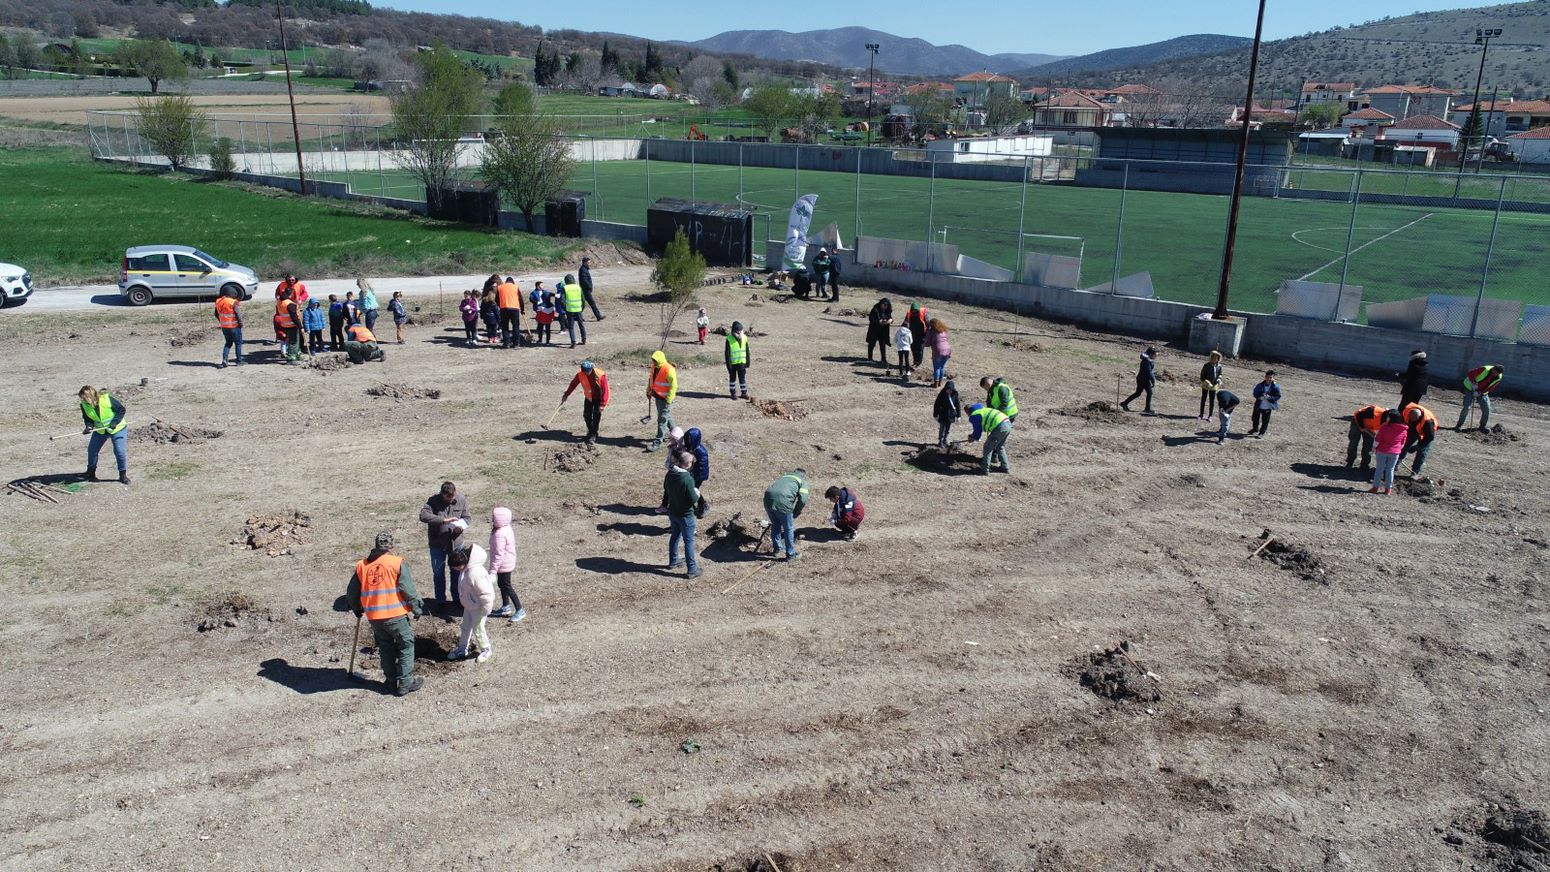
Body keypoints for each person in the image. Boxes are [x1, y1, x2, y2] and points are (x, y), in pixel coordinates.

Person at [345, 532, 424, 696]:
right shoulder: (396, 562)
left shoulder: (362, 565)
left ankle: (390, 682)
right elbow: (407, 589)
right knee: (405, 645)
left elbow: (352, 592)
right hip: (395, 615)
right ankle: (405, 683)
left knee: (385, 647)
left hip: (374, 618)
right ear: (391, 546)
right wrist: (416, 607)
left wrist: (357, 608)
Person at [418, 481, 469, 607]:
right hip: (438, 544)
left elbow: (467, 518)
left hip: (456, 544)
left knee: (457, 572)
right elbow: (423, 516)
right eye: (448, 497)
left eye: (452, 496)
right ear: (442, 494)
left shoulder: (461, 499)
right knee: (438, 573)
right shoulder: (433, 501)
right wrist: (443, 520)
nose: (451, 499)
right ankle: (440, 601)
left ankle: (457, 599)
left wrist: (461, 527)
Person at [447, 544, 495, 663]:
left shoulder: (474, 573)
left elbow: (485, 593)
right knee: (465, 626)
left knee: (478, 628)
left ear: (461, 563)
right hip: (470, 605)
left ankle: (486, 649)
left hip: (478, 607)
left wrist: (486, 608)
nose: (454, 569)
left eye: (455, 567)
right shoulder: (466, 569)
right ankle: (462, 648)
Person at [78, 385, 129, 484]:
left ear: (90, 397)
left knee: (119, 451)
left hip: (117, 429)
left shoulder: (107, 399)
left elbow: (121, 410)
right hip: (100, 431)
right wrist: (89, 427)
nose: (83, 400)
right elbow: (87, 418)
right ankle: (91, 473)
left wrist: (115, 422)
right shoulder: (84, 405)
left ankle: (123, 475)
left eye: (84, 398)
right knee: (92, 450)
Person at [662, 451, 702, 578]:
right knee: (689, 541)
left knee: (675, 536)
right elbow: (692, 499)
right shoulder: (687, 478)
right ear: (688, 464)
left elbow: (666, 489)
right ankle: (692, 569)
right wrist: (697, 494)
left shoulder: (670, 473)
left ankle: (673, 560)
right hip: (686, 515)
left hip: (673, 512)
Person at [763, 469, 809, 561]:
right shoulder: (801, 481)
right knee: (788, 528)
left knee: (776, 524)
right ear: (803, 475)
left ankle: (777, 549)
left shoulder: (784, 476)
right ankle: (790, 554)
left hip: (768, 499)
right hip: (783, 502)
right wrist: (796, 512)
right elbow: (803, 499)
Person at [562, 360, 610, 445]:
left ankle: (593, 434)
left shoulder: (600, 375)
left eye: (588, 371)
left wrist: (602, 404)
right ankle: (591, 431)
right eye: (585, 371)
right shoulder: (580, 374)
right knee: (586, 415)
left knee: (596, 415)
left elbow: (605, 390)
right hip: (589, 397)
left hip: (599, 398)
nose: (586, 373)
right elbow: (573, 384)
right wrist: (566, 394)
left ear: (592, 368)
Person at [966, 402, 1012, 475]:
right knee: (1000, 446)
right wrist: (974, 436)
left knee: (988, 448)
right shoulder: (983, 409)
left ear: (968, 413)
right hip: (1007, 423)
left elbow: (977, 431)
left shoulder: (974, 415)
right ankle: (1005, 468)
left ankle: (984, 470)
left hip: (1000, 427)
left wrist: (973, 437)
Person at [1370, 410, 1409, 495]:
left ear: (1391, 418)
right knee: (1390, 470)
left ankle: (1375, 488)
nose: (1387, 418)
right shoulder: (1404, 429)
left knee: (1379, 469)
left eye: (1388, 416)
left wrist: (1373, 448)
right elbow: (1403, 443)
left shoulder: (1384, 427)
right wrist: (1398, 450)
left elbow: (1377, 439)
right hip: (1395, 453)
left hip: (1382, 451)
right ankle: (1388, 489)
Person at [1457, 364, 1504, 431]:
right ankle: (1458, 425)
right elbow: (1470, 374)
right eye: (1494, 372)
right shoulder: (1484, 369)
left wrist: (1480, 392)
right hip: (1470, 388)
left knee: (1487, 409)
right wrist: (1473, 383)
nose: (1495, 374)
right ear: (1493, 369)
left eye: (1497, 373)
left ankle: (1482, 426)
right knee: (1466, 407)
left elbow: (1491, 387)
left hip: (1482, 392)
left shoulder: (1498, 377)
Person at [647, 350, 678, 451]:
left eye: (655, 360)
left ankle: (658, 441)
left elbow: (674, 386)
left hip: (665, 399)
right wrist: (649, 391)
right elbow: (651, 379)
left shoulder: (668, 369)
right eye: (653, 360)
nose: (653, 362)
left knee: (662, 419)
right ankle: (676, 433)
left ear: (659, 360)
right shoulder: (654, 367)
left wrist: (669, 399)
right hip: (657, 396)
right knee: (665, 416)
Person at [1400, 403, 1439, 476]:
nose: (1412, 421)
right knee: (1404, 445)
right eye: (1411, 419)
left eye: (1414, 420)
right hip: (1413, 430)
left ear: (1419, 417)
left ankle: (1415, 472)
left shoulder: (1428, 421)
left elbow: (1430, 437)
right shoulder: (1406, 411)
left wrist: (1417, 447)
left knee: (1421, 452)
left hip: (1426, 434)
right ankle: (1395, 464)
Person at [1345, 404, 1386, 470]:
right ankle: (1350, 461)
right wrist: (1365, 430)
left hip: (1370, 425)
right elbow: (1359, 415)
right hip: (1357, 421)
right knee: (1354, 442)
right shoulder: (1372, 412)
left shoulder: (1388, 422)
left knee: (1369, 444)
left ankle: (1365, 463)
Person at [682, 427, 710, 518]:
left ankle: (702, 506)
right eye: (688, 438)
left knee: (693, 490)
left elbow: (702, 465)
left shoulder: (700, 451)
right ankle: (700, 505)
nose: (689, 440)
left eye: (691, 439)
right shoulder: (691, 448)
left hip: (698, 475)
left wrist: (694, 472)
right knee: (692, 489)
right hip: (692, 473)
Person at [1120, 346, 1158, 414]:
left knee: (1146, 393)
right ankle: (1125, 403)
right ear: (1151, 354)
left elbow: (1150, 372)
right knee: (1141, 393)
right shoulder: (1147, 361)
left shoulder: (1148, 360)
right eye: (1155, 354)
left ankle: (1146, 408)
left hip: (1144, 379)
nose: (1156, 356)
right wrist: (1153, 380)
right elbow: (1148, 372)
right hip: (1142, 380)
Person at [215, 286, 243, 368]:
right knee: (238, 343)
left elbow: (216, 314)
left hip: (224, 327)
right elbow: (238, 314)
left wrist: (222, 321)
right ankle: (239, 361)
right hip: (234, 326)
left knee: (228, 343)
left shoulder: (218, 301)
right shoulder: (233, 302)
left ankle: (225, 359)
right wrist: (240, 323)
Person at [274, 288, 302, 364]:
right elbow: (294, 317)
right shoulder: (290, 304)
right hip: (292, 325)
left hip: (284, 325)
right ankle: (291, 358)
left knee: (293, 341)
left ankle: (297, 354)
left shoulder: (279, 302)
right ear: (291, 294)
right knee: (293, 342)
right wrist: (300, 327)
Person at [1250, 370, 1282, 438]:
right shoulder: (1260, 385)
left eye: (1271, 377)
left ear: (1273, 378)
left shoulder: (1275, 386)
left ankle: (1262, 433)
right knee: (1255, 418)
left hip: (1268, 406)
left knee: (1265, 421)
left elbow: (1278, 396)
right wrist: (1259, 396)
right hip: (1258, 405)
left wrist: (1270, 398)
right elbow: (1255, 393)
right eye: (1267, 377)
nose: (1269, 379)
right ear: (1265, 377)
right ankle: (1255, 428)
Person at [496, 275, 523, 348]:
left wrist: (500, 305)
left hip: (504, 309)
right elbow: (520, 299)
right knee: (516, 326)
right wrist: (522, 309)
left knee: (505, 326)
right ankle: (516, 344)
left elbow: (496, 299)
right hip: (515, 309)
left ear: (506, 282)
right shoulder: (515, 287)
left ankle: (506, 343)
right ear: (512, 282)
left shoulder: (500, 287)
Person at [725, 321, 750, 399]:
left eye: (740, 330)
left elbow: (747, 350)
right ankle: (733, 394)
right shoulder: (729, 339)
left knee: (742, 378)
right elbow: (727, 353)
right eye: (737, 330)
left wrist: (748, 361)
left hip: (742, 363)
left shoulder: (745, 338)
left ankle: (744, 393)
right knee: (732, 379)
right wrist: (728, 365)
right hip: (733, 364)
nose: (739, 332)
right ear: (733, 331)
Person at [934, 377, 961, 448]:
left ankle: (945, 440)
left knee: (948, 429)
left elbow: (957, 405)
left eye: (950, 390)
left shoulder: (955, 394)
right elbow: (937, 405)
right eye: (948, 389)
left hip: (951, 415)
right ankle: (941, 441)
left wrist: (958, 416)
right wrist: (935, 415)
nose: (949, 391)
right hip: (943, 414)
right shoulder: (941, 395)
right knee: (942, 429)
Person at [561, 274, 587, 347]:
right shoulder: (578, 287)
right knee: (581, 325)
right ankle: (584, 339)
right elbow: (583, 299)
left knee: (571, 327)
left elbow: (562, 300)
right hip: (578, 309)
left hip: (569, 310)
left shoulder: (565, 288)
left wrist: (565, 308)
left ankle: (573, 342)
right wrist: (582, 308)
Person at [1198, 350, 1223, 421]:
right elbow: (1202, 377)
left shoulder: (1219, 366)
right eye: (1213, 358)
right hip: (1206, 385)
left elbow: (1220, 374)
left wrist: (1219, 379)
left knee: (1212, 401)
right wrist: (1207, 383)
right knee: (1203, 399)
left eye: (1216, 358)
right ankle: (1201, 414)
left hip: (1214, 386)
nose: (1214, 359)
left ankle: (1210, 415)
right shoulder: (1206, 366)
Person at [578, 256, 604, 321]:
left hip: (586, 290)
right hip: (585, 290)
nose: (590, 264)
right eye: (588, 262)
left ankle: (598, 316)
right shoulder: (583, 270)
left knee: (583, 304)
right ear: (584, 263)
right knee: (588, 304)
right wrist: (589, 287)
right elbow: (584, 281)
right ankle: (598, 316)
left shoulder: (584, 269)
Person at [904, 303, 930, 367]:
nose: (914, 312)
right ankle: (915, 361)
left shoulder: (923, 313)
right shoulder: (909, 313)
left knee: (920, 348)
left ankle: (919, 362)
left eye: (916, 310)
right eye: (913, 310)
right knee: (913, 348)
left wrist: (928, 333)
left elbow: (928, 323)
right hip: (912, 333)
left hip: (922, 334)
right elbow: (905, 322)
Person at [927, 319, 952, 387]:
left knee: (937, 367)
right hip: (947, 350)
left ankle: (935, 384)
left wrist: (923, 344)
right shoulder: (944, 330)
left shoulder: (931, 331)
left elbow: (927, 343)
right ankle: (940, 383)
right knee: (942, 367)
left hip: (938, 351)